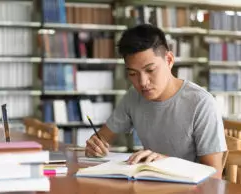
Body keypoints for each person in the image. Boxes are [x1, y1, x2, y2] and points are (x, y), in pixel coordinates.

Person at [85, 24, 227, 179]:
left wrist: (168, 163)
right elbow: (103, 138)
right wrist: (95, 146)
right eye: (133, 73)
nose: (142, 82)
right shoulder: (133, 97)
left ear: (169, 60)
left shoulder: (201, 103)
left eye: (150, 70)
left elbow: (214, 176)